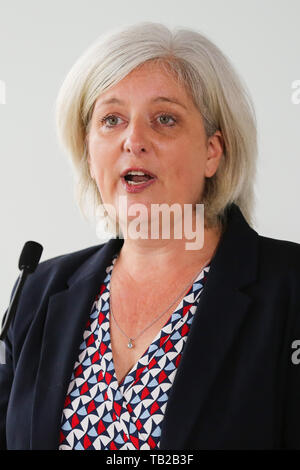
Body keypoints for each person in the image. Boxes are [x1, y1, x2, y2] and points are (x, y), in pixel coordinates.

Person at [1, 21, 300, 451]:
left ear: (213, 152)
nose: (133, 140)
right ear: (88, 152)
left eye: (164, 119)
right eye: (111, 119)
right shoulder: (39, 292)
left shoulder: (288, 289)